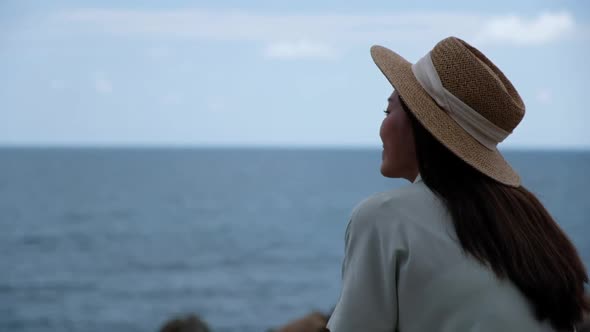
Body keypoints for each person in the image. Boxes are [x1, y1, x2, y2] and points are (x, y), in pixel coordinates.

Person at [326, 36, 589, 332]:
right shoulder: (529, 222)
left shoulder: (384, 217)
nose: (381, 127)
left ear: (420, 124)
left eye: (388, 111)